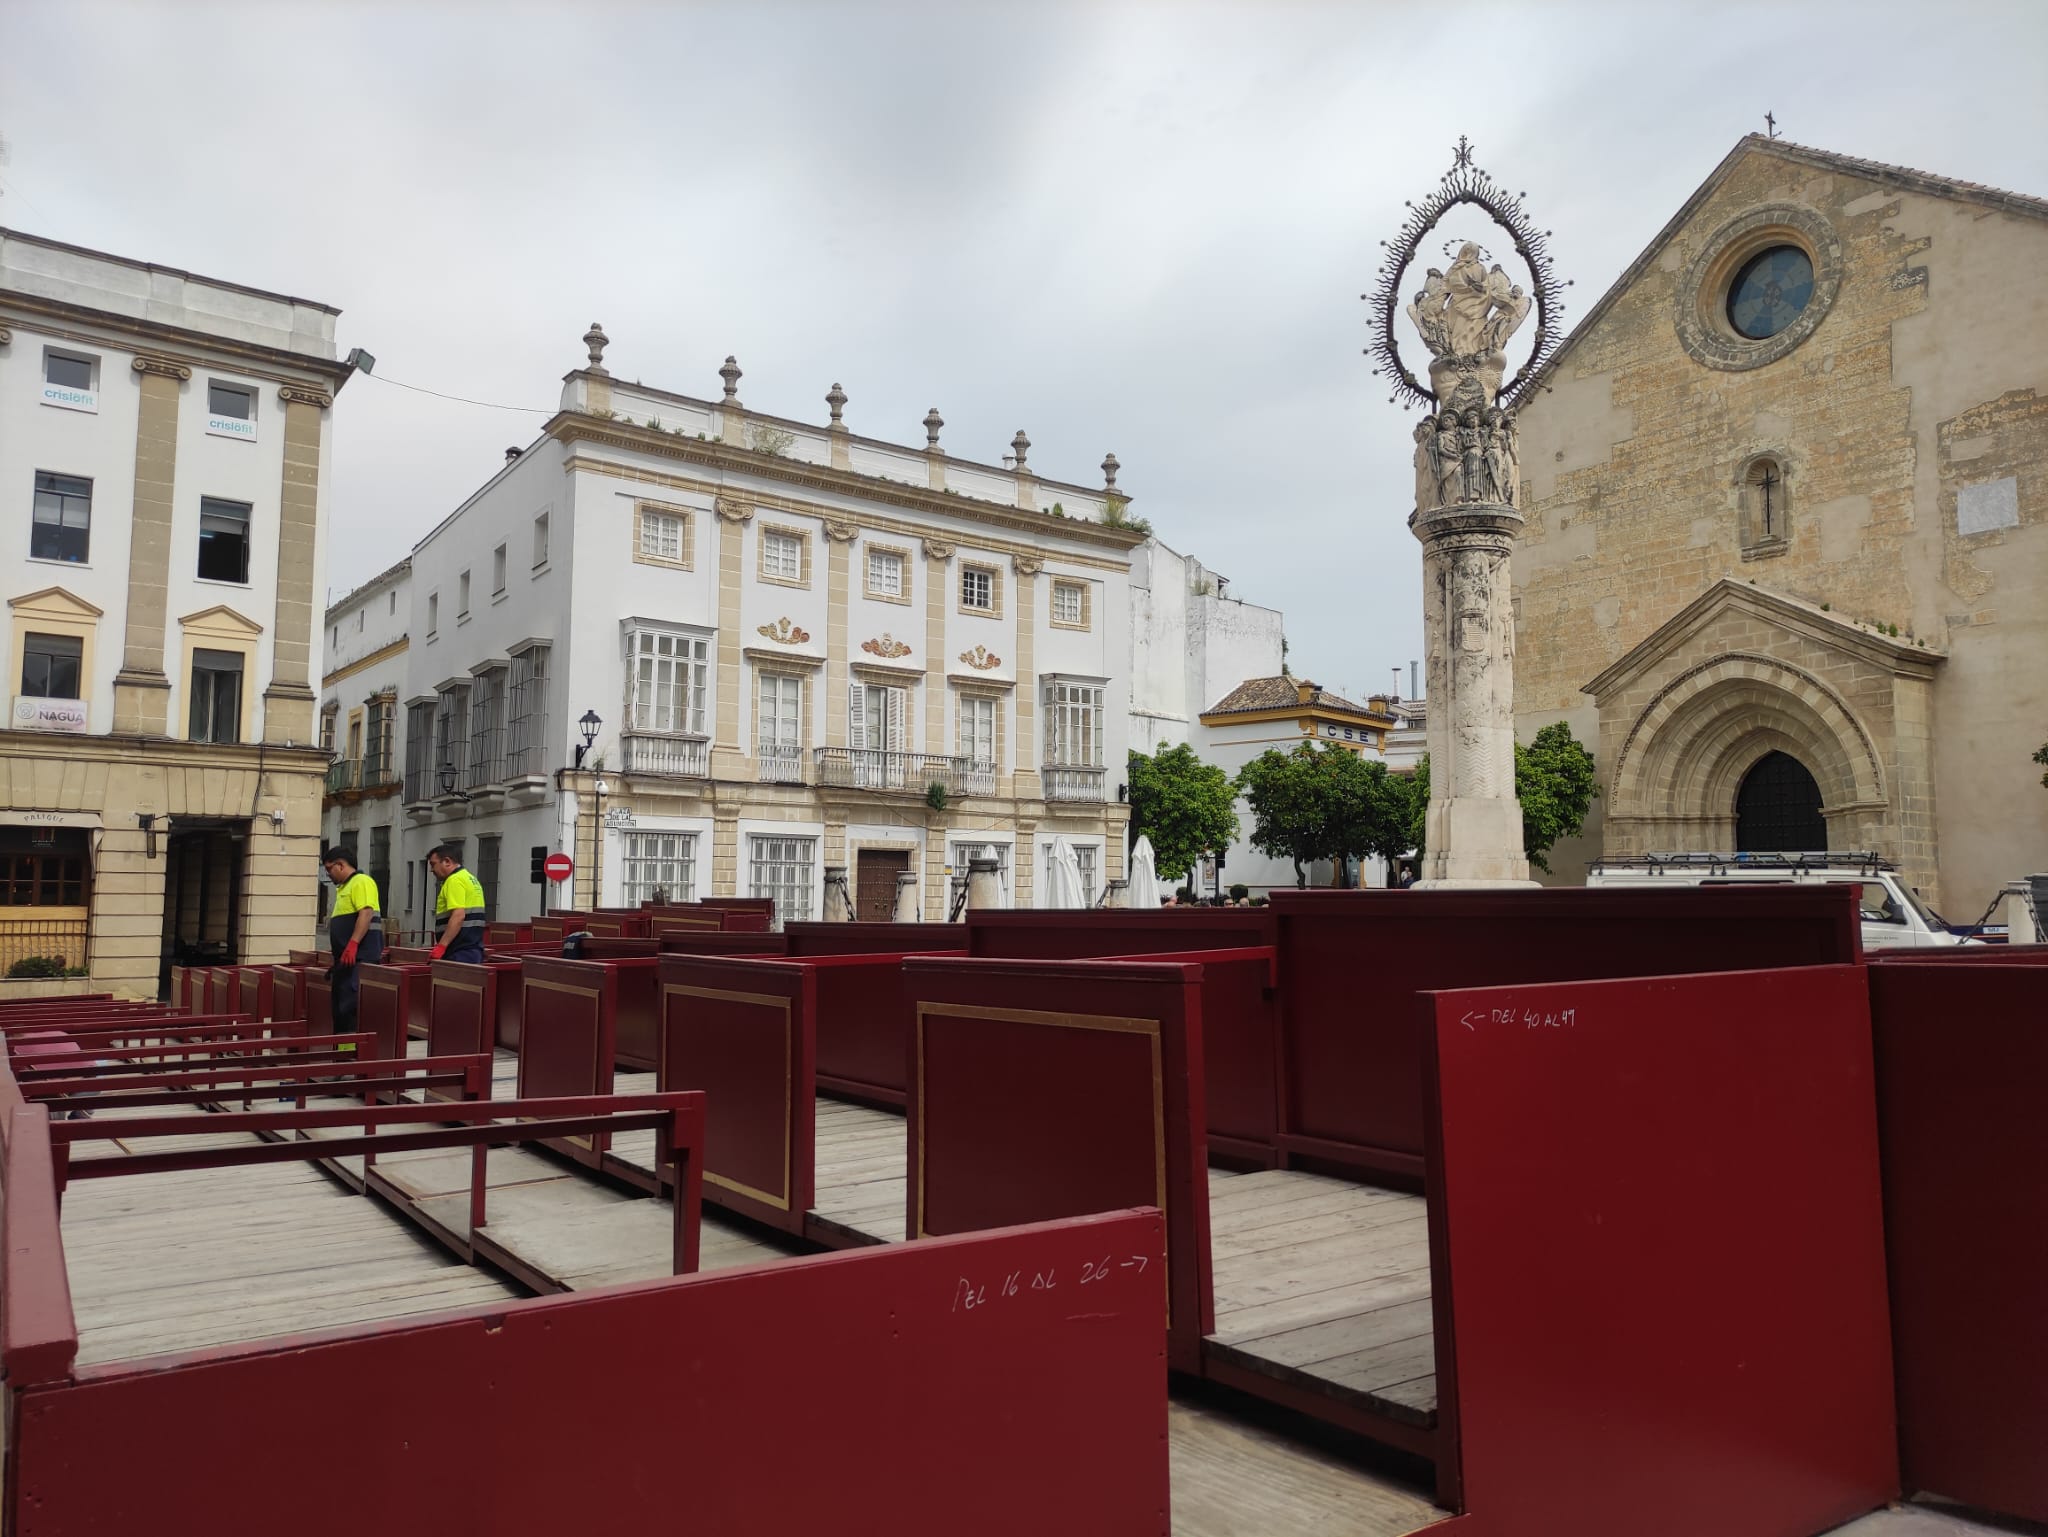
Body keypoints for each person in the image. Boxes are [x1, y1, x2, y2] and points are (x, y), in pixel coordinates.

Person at [321, 846, 384, 1047]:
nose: (328, 874)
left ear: (341, 864)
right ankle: (341, 1056)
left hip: (359, 958)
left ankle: (350, 1059)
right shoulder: (344, 888)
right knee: (341, 1010)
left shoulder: (361, 882)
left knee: (350, 1009)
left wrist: (353, 944)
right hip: (346, 961)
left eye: (330, 869)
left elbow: (366, 913)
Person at [428, 843, 488, 962]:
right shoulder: (470, 878)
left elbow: (458, 916)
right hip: (473, 948)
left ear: (447, 861)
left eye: (433, 864)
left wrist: (441, 947)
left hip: (458, 951)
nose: (432, 870)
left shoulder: (454, 881)